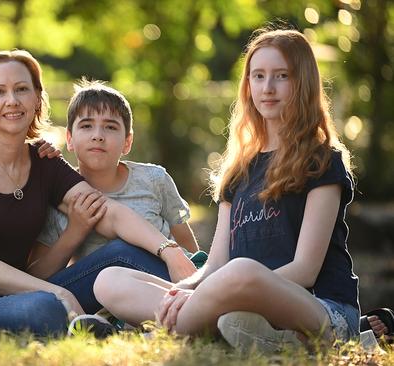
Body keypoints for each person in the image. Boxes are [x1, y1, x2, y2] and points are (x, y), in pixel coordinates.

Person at [92, 28, 360, 353]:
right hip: (236, 302)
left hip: (319, 309)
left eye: (281, 76)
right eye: (258, 76)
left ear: (302, 82)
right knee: (109, 280)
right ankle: (219, 328)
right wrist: (188, 289)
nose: (267, 88)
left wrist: (214, 293)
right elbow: (215, 264)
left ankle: (154, 335)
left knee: (243, 271)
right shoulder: (239, 169)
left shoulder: (322, 161)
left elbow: (305, 270)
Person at [0, 50, 197, 337]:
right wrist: (58, 294)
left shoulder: (43, 160)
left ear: (37, 97)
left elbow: (109, 214)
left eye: (22, 89)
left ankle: (203, 305)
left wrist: (170, 251)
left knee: (122, 252)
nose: (12, 100)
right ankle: (186, 317)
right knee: (44, 309)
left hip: (30, 290)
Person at [29, 78, 199, 287]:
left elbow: (187, 246)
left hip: (162, 283)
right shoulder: (59, 195)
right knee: (120, 252)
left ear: (127, 142)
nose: (98, 136)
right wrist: (75, 230)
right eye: (86, 126)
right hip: (99, 296)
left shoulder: (154, 180)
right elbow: (36, 276)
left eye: (110, 127)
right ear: (70, 139)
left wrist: (194, 275)